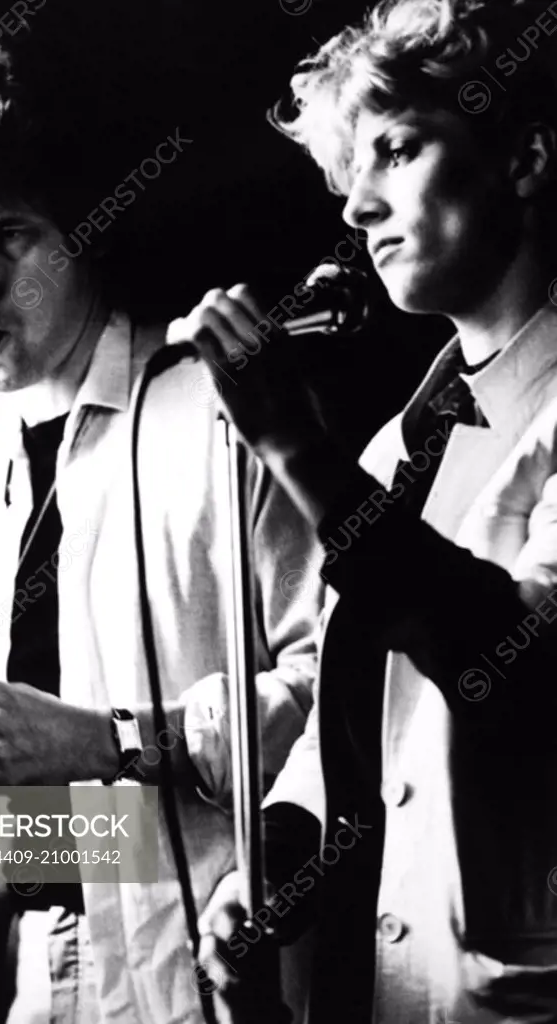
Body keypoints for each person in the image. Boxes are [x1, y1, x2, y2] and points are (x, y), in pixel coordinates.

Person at [0, 23, 324, 1024]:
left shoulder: (220, 405)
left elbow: (340, 696)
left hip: (201, 981)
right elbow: (72, 832)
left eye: (10, 233)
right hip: (20, 981)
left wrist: (107, 741)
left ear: (82, 231)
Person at [174, 0, 557, 1021]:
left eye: (397, 150)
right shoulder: (403, 443)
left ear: (524, 159)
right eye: (355, 169)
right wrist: (280, 859)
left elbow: (510, 668)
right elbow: (350, 722)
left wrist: (293, 446)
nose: (357, 208)